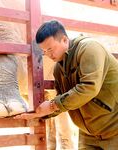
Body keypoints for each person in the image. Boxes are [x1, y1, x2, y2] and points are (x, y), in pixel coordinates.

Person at [14, 20, 118, 149]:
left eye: (50, 49)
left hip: (114, 130)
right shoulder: (58, 69)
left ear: (64, 40)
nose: (48, 54)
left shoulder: (89, 48)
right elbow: (64, 99)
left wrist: (52, 105)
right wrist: (40, 113)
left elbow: (89, 87)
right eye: (44, 51)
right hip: (88, 134)